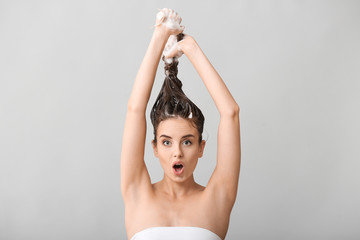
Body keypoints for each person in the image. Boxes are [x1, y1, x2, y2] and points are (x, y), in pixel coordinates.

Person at [121, 8, 241, 240]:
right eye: (166, 142)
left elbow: (230, 112)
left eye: (187, 141)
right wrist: (159, 37)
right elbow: (135, 110)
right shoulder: (137, 192)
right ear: (154, 148)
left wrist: (190, 47)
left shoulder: (217, 197)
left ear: (201, 147)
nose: (177, 153)